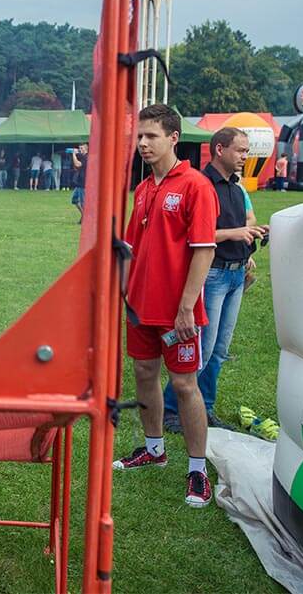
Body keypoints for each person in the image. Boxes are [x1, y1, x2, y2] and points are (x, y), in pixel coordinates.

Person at [114, 104, 218, 509]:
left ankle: (197, 469)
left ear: (173, 138)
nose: (142, 143)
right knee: (143, 374)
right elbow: (131, 250)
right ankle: (154, 449)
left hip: (179, 313)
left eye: (151, 136)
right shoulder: (143, 189)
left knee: (184, 385)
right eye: (139, 136)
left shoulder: (195, 185)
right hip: (140, 309)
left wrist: (187, 307)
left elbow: (203, 250)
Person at [161, 128, 268, 434]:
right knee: (201, 349)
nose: (245, 157)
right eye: (241, 151)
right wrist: (235, 234)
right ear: (220, 149)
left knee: (219, 350)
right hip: (213, 274)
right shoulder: (200, 185)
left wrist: (248, 245)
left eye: (246, 151)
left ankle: (204, 407)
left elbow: (239, 225)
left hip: (235, 274)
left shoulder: (236, 187)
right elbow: (189, 235)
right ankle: (172, 410)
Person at [70, 145, 87, 223]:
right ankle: (84, 215)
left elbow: (77, 164)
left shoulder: (86, 157)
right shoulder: (82, 157)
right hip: (79, 183)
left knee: (83, 203)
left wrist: (73, 154)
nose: (80, 150)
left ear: (86, 149)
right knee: (74, 200)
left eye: (81, 148)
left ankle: (86, 219)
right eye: (79, 148)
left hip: (83, 183)